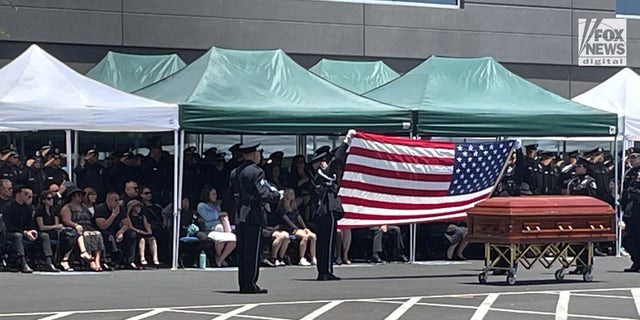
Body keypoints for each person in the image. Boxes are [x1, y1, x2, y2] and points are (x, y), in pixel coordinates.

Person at [229, 141, 283, 294]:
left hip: (240, 214)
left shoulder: (234, 172)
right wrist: (276, 195)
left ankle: (243, 283)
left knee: (243, 251)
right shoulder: (256, 171)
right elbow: (263, 193)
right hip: (253, 214)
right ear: (253, 154)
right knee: (253, 251)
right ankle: (250, 283)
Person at [309, 129, 355, 281]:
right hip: (325, 211)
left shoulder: (323, 174)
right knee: (326, 242)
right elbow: (337, 158)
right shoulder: (321, 174)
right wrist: (346, 142)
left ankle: (325, 270)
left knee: (326, 242)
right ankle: (325, 271)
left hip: (327, 211)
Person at [2, 185, 58, 272]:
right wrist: (24, 232)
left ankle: (48, 262)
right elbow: (9, 227)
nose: (27, 196)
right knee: (18, 236)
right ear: (18, 194)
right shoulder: (8, 208)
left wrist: (32, 231)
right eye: (25, 194)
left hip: (26, 233)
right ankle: (23, 262)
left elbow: (31, 224)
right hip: (12, 233)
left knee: (44, 236)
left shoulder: (28, 208)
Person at [59, 185, 105, 272]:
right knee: (86, 236)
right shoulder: (67, 207)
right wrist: (75, 225)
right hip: (77, 227)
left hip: (88, 226)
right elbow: (66, 220)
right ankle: (90, 261)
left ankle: (97, 261)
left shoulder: (83, 206)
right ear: (73, 196)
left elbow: (91, 217)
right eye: (78, 195)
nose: (81, 197)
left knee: (98, 234)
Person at [196, 187, 236, 267]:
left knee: (233, 241)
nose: (215, 196)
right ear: (208, 195)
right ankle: (219, 258)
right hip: (209, 230)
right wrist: (219, 214)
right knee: (219, 240)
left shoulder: (217, 206)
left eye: (216, 194)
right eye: (213, 194)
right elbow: (207, 217)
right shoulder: (201, 206)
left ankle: (220, 258)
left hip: (221, 229)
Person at [278, 188, 316, 266]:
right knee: (305, 237)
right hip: (288, 228)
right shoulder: (282, 207)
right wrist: (297, 229)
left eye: (293, 194)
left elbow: (299, 218)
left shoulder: (294, 207)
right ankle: (302, 258)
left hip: (297, 228)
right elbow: (287, 221)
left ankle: (313, 257)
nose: (292, 195)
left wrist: (305, 228)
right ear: (286, 194)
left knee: (313, 236)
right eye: (290, 193)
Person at [621, 153, 640, 272]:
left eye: (634, 158)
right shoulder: (629, 172)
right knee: (630, 238)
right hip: (630, 210)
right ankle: (636, 261)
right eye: (630, 158)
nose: (631, 160)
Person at [127, 200, 159, 266]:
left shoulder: (142, 216)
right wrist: (140, 231)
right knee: (142, 240)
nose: (139, 208)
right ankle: (142, 258)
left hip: (144, 233)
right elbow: (130, 227)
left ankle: (155, 258)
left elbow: (146, 225)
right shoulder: (129, 217)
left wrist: (148, 231)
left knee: (152, 239)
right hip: (137, 233)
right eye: (137, 206)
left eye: (140, 206)